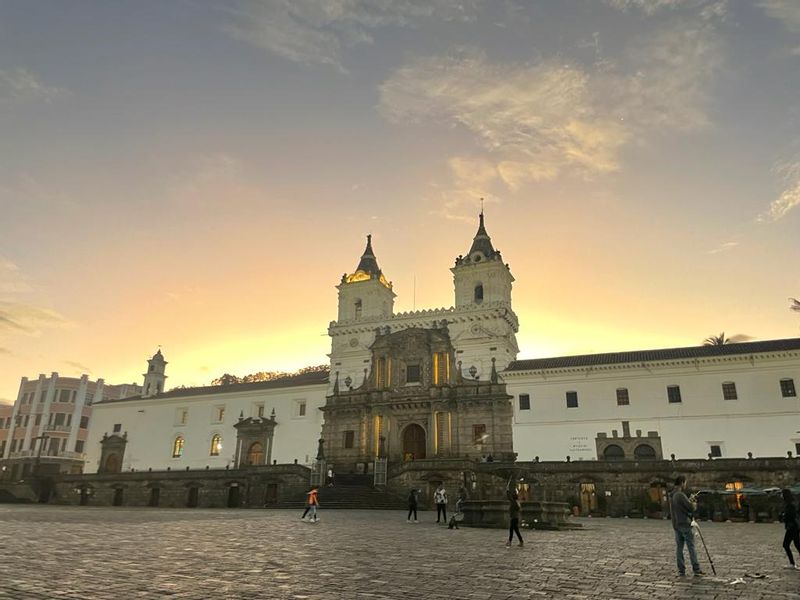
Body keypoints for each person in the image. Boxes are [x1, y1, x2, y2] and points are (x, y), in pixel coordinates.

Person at [670, 476, 703, 576]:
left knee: (679, 548)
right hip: (685, 523)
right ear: (682, 483)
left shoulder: (672, 494)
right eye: (685, 483)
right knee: (691, 547)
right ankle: (696, 569)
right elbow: (691, 508)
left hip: (676, 524)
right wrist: (693, 502)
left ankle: (681, 570)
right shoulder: (680, 494)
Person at [780, 488, 800, 570]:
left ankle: (792, 563)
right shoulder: (791, 504)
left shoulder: (790, 505)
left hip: (792, 527)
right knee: (797, 545)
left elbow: (791, 516)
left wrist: (784, 516)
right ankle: (792, 563)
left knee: (786, 544)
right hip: (795, 527)